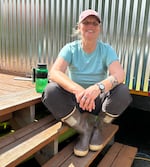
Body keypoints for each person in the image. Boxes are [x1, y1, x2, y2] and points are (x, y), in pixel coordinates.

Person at [42, 9, 132, 157]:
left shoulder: (106, 50)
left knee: (122, 91)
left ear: (99, 28)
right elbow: (55, 72)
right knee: (50, 91)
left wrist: (98, 87)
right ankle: (84, 129)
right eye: (86, 22)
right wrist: (78, 90)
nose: (90, 26)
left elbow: (119, 74)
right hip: (76, 100)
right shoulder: (70, 49)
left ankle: (99, 128)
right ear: (79, 27)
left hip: (97, 101)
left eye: (95, 23)